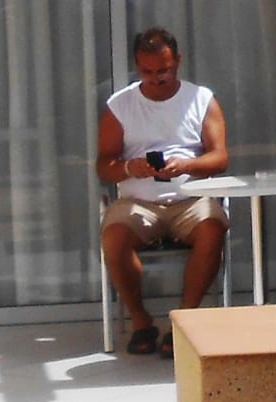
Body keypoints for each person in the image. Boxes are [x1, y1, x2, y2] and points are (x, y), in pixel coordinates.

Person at [97, 26, 230, 358]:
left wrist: (186, 165)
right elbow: (104, 165)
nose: (156, 79)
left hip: (191, 198)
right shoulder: (121, 105)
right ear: (137, 67)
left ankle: (183, 321)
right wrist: (131, 167)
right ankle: (141, 321)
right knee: (113, 237)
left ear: (178, 62)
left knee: (212, 229)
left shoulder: (201, 99)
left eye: (163, 71)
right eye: (147, 72)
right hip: (138, 201)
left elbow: (220, 157)